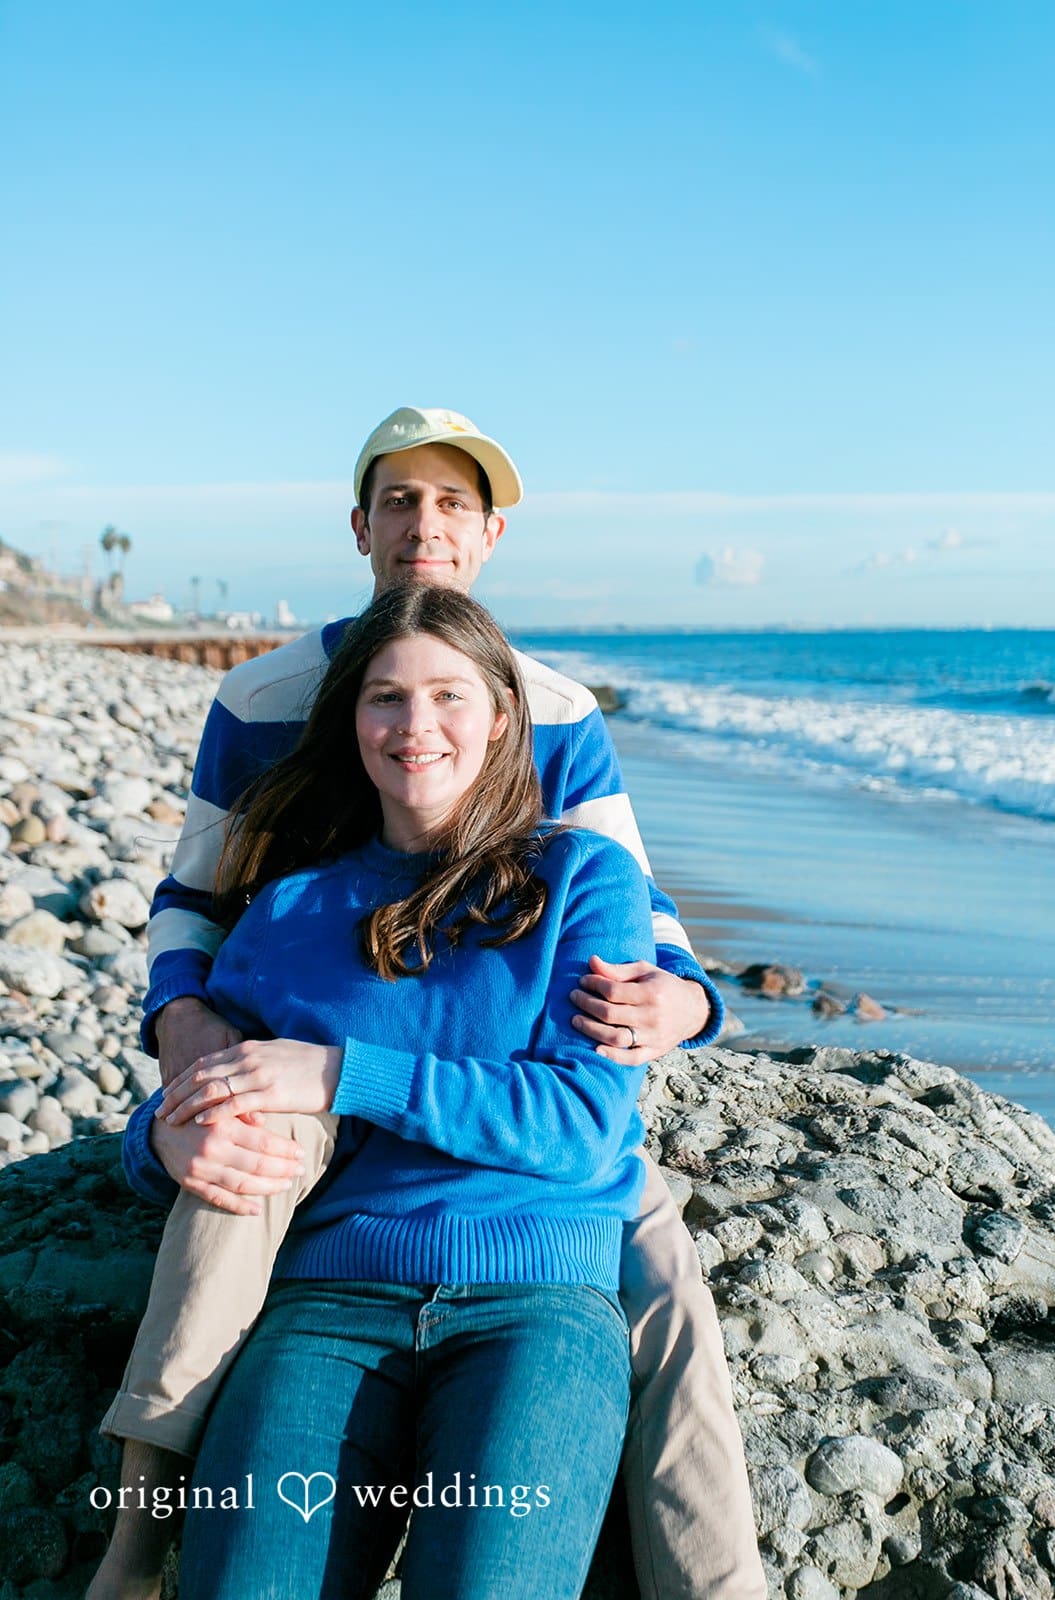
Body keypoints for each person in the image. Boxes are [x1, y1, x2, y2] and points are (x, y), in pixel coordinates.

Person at [92, 408, 765, 1600]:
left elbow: (638, 938)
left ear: (491, 535)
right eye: (401, 500)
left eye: (452, 504)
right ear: (360, 525)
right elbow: (191, 896)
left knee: (664, 1299)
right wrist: (180, 1045)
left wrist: (694, 1004)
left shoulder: (561, 729)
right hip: (339, 1266)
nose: (424, 526)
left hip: (530, 1243)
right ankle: (139, 1537)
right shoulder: (263, 718)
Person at [120, 582, 659, 1599]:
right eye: (385, 697)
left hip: (532, 1303)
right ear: (350, 721)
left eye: (449, 696)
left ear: (502, 718)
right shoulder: (292, 906)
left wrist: (340, 1070)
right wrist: (164, 1145)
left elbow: (584, 1123)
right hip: (324, 1303)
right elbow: (193, 1099)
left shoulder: (579, 879)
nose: (416, 725)